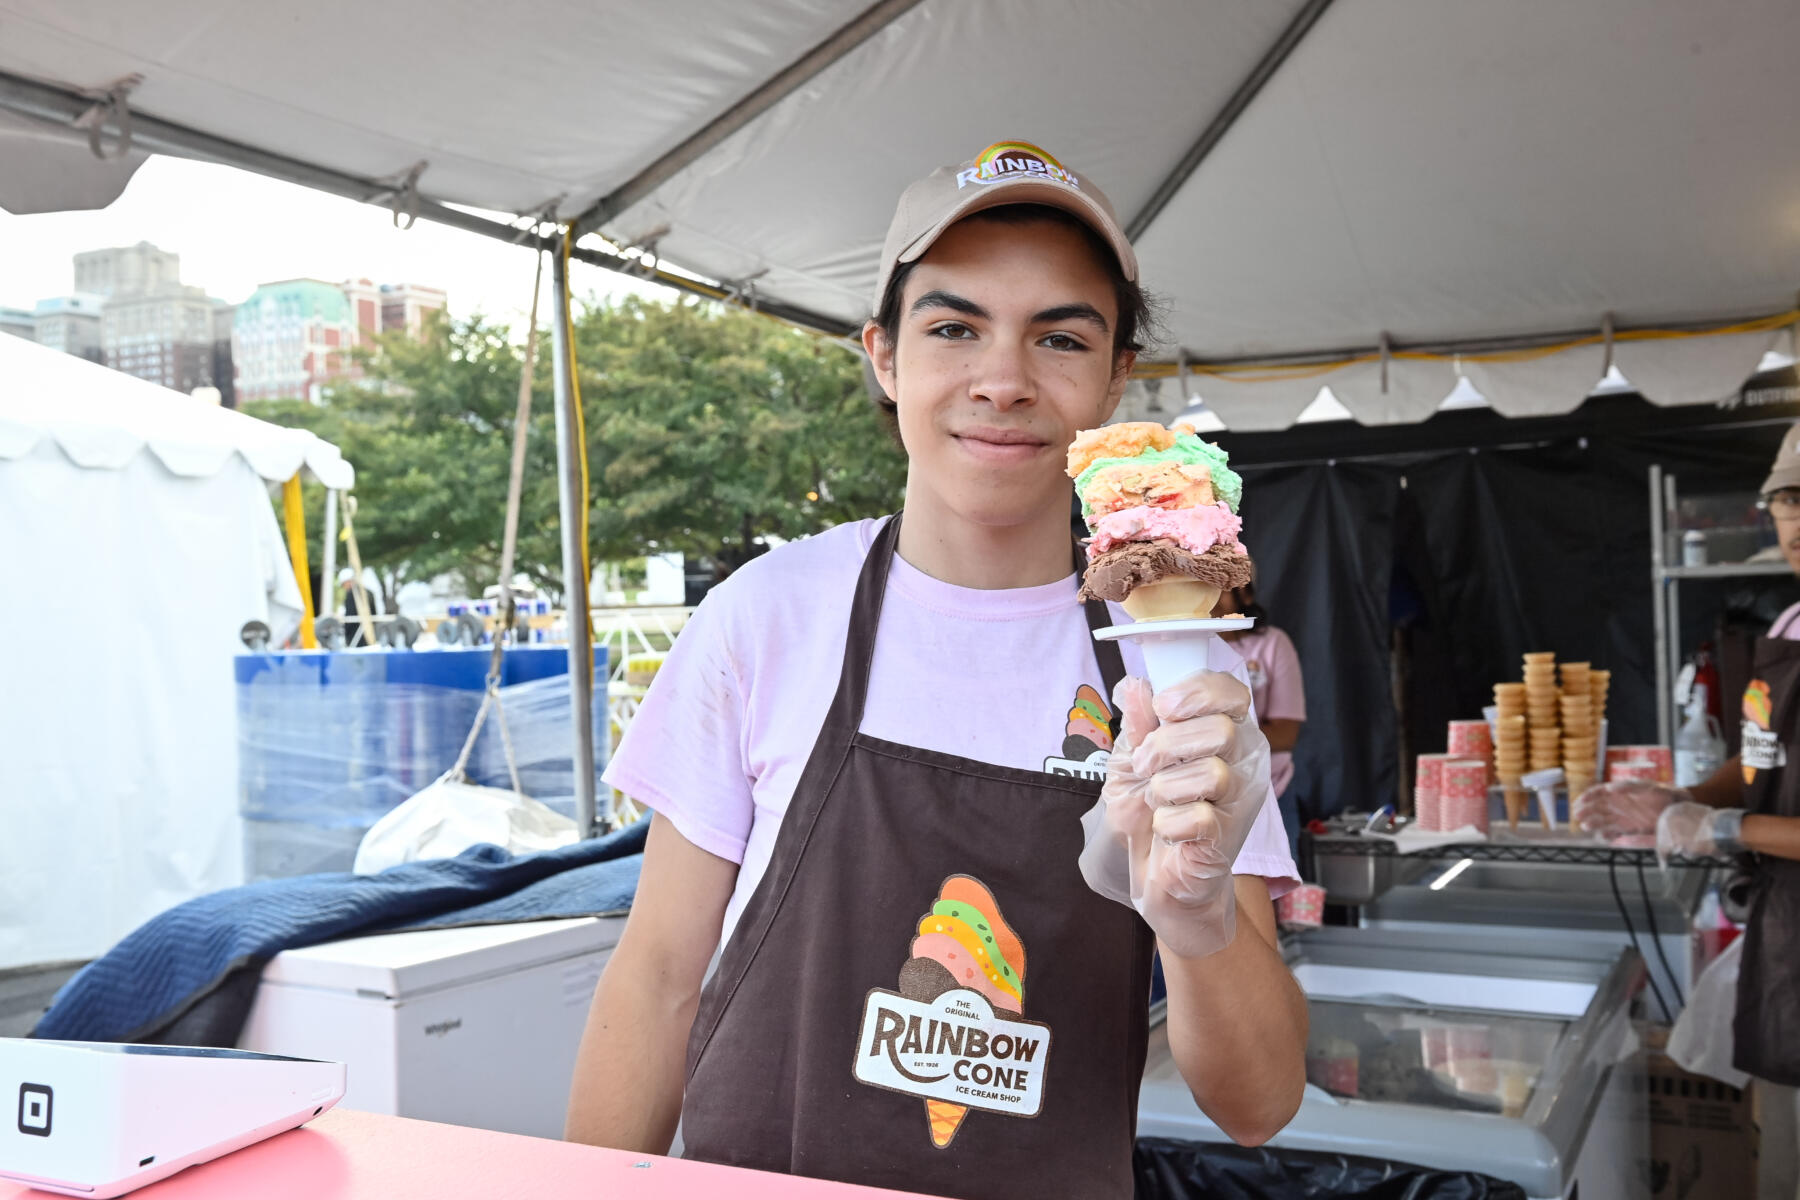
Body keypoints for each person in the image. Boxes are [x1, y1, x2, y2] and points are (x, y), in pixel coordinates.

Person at [564, 142, 1306, 1198]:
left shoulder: (1170, 669)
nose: (1002, 381)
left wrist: (1195, 921)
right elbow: (658, 980)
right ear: (884, 356)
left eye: (1058, 337)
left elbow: (1260, 1102)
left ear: (1115, 380)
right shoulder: (766, 618)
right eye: (954, 327)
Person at [1575, 421, 1800, 1200]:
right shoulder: (1788, 629)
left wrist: (1723, 830)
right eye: (1785, 497)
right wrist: (1679, 800)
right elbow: (1761, 759)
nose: (1796, 517)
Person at [1214, 578, 1306, 852]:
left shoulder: (1272, 643)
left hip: (1272, 790)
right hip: (1204, 796)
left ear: (1246, 594)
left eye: (1221, 587)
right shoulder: (1182, 645)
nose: (1212, 598)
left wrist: (1217, 736)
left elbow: (1286, 735)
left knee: (1275, 889)